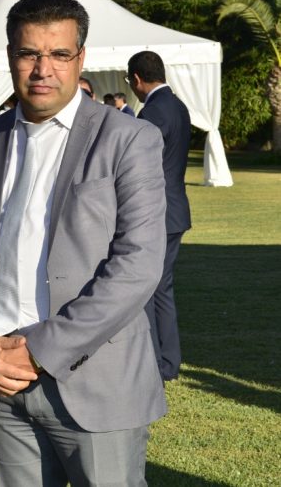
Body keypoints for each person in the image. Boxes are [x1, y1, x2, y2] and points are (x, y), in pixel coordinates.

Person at [0, 0, 167, 486]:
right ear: (10, 56)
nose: (43, 69)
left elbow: (138, 264)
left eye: (59, 54)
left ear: (80, 58)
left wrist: (39, 349)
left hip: (96, 383)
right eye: (28, 53)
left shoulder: (128, 139)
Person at [128, 50, 192, 381]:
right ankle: (167, 361)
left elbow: (138, 164)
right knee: (161, 289)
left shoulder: (152, 112)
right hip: (175, 209)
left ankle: (157, 361)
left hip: (157, 212)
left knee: (150, 289)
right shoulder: (178, 106)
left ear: (137, 79)